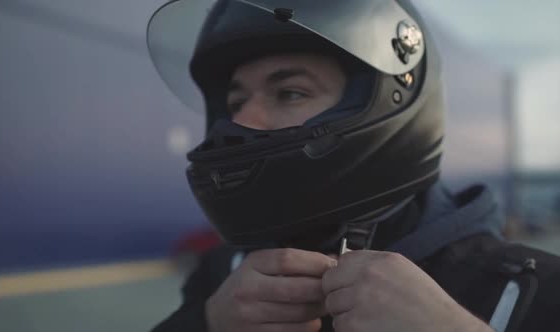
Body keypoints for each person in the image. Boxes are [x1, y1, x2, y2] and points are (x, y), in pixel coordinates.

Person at [147, 1, 560, 331]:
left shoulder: (532, 289)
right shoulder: (225, 275)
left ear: (391, 101)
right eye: (236, 102)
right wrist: (206, 323)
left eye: (289, 92)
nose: (240, 122)